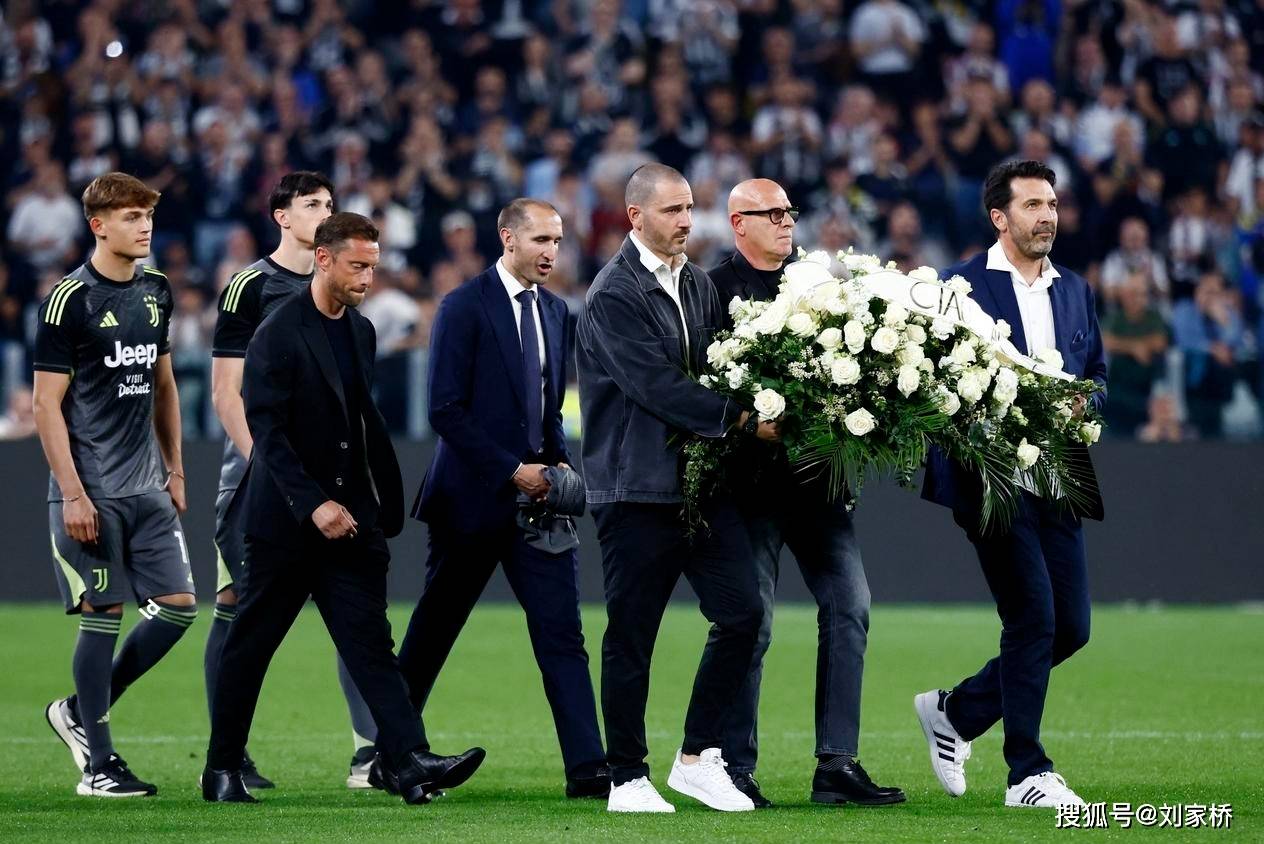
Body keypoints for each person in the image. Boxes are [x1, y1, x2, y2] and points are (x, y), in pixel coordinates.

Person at [202, 213, 484, 805]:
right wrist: (313, 505)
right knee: (251, 646)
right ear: (323, 259)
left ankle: (408, 761)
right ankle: (222, 768)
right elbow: (267, 433)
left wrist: (382, 503)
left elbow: (362, 420)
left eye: (373, 267)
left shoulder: (360, 330)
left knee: (370, 646)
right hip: (284, 525)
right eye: (358, 266)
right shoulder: (277, 332)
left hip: (350, 524)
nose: (368, 278)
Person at [576, 163, 778, 814]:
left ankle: (697, 758)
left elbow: (722, 365)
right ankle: (626, 777)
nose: (687, 220)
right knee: (633, 636)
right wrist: (741, 419)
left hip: (700, 485)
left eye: (689, 208)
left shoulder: (696, 283)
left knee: (743, 614)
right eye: (672, 210)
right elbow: (656, 386)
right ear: (636, 217)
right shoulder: (613, 293)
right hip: (634, 488)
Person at [400, 198, 608, 799]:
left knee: (562, 635)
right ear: (507, 238)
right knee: (434, 632)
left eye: (558, 241)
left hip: (537, 506)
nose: (551, 252)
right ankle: (394, 751)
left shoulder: (558, 311)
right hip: (470, 503)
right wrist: (514, 469)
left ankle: (588, 769)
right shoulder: (463, 306)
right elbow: (445, 410)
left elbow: (548, 409)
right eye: (541, 239)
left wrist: (558, 462)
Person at [707, 178, 904, 809]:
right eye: (772, 213)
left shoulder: (820, 284)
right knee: (752, 625)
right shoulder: (712, 290)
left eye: (789, 211)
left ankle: (836, 764)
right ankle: (733, 768)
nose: (786, 221)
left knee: (852, 607)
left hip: (819, 487)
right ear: (739, 223)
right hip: (750, 488)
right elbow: (705, 389)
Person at [918, 160, 1107, 809]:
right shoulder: (958, 287)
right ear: (999, 216)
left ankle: (956, 712)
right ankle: (1027, 771)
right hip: (990, 479)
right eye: (1032, 205)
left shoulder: (1076, 290)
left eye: (1051, 203)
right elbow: (933, 380)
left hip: (1057, 477)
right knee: (1033, 618)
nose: (1047, 215)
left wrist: (1086, 402)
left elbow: (1097, 372)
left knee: (1070, 628)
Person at [207, 171, 383, 790]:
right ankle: (229, 755)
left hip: (325, 487)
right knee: (238, 610)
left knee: (353, 616)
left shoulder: (345, 295)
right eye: (311, 204)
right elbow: (227, 393)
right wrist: (275, 473)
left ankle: (370, 751)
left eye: (330, 204)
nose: (323, 212)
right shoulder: (250, 287)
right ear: (282, 216)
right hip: (257, 480)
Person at [35, 172, 197, 797]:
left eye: (148, 215)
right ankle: (99, 765)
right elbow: (47, 405)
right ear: (98, 226)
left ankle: (79, 709)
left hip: (148, 486)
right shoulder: (68, 300)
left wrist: (175, 467)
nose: (145, 226)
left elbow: (163, 384)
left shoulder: (156, 289)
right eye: (132, 216)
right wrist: (73, 494)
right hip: (92, 490)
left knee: (179, 608)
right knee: (103, 613)